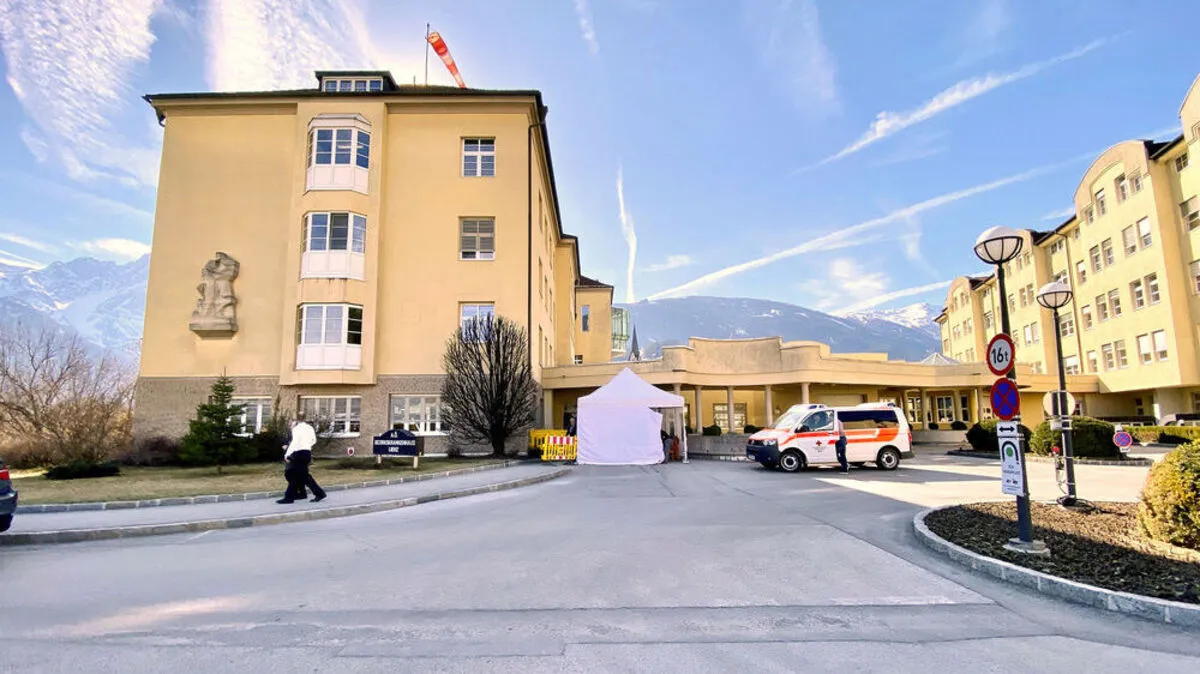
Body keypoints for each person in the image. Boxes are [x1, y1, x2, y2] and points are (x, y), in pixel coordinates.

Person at [278, 413, 326, 504]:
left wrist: (287, 454)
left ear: (297, 420)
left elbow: (295, 442)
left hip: (298, 453)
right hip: (307, 452)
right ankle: (315, 493)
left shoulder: (297, 429)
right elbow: (314, 440)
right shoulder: (310, 428)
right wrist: (307, 446)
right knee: (303, 476)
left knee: (294, 474)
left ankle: (289, 497)